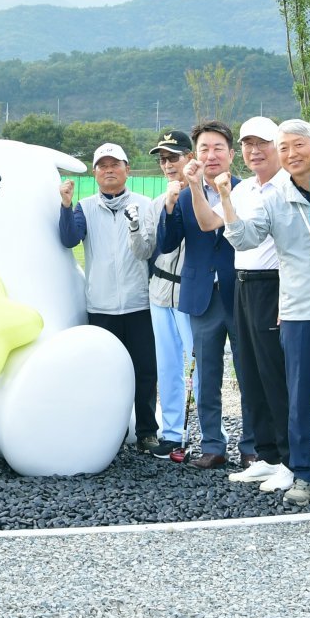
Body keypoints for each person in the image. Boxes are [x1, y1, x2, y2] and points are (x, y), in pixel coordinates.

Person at [207, 120, 310, 506]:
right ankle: (305, 473)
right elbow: (243, 238)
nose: (292, 154)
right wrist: (225, 197)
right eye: (285, 148)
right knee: (299, 398)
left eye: (299, 146)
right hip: (297, 312)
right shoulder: (272, 200)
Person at [60, 142, 158, 451]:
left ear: (128, 169)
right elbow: (68, 238)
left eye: (115, 164)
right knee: (103, 374)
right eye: (103, 165)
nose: (109, 170)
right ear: (95, 173)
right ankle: (107, 433)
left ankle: (146, 431)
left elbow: (152, 252)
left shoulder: (146, 203)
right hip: (101, 305)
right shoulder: (85, 206)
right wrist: (65, 205)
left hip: (139, 302)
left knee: (144, 371)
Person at [154, 121, 239, 469]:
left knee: (249, 373)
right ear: (196, 154)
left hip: (240, 290)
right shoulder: (186, 194)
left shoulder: (247, 190)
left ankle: (253, 447)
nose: (211, 154)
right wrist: (171, 207)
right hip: (201, 292)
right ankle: (213, 445)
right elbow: (167, 242)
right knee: (205, 371)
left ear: (231, 154)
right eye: (204, 148)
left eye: (218, 148)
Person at [225, 117, 295, 492]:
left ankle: (289, 458)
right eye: (248, 144)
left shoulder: (289, 186)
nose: (255, 151)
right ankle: (266, 455)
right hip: (243, 285)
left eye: (262, 143)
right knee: (249, 374)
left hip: (274, 285)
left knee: (274, 376)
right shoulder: (242, 189)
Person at [130, 130, 194, 459]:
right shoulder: (156, 204)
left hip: (193, 292)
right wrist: (134, 227)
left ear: (190, 157)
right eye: (163, 159)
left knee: (201, 365)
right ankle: (171, 432)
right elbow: (146, 249)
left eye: (174, 157)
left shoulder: (203, 195)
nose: (168, 164)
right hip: (160, 291)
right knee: (168, 366)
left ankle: (213, 434)